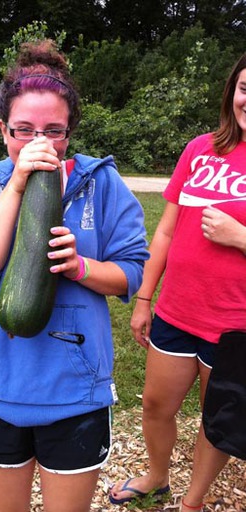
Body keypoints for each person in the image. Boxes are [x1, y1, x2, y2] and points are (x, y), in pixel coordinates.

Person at [0, 39, 149, 512]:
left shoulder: (102, 184)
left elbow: (134, 272)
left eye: (54, 131)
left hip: (76, 395)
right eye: (24, 130)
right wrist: (17, 184)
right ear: (2, 130)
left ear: (70, 131)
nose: (39, 143)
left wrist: (81, 267)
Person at [109, 53, 246, 511]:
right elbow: (166, 229)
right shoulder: (201, 148)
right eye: (245, 88)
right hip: (178, 310)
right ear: (233, 92)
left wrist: (240, 237)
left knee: (216, 418)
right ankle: (157, 475)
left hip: (235, 324)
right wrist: (145, 296)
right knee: (154, 405)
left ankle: (193, 500)